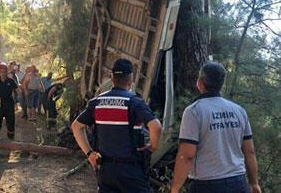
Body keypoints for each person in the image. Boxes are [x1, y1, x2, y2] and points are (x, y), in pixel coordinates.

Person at [71, 59, 162, 193]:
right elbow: (156, 126)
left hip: (106, 170)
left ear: (112, 78)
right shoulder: (134, 102)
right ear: (131, 79)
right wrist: (152, 147)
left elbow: (76, 126)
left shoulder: (96, 102)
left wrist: (90, 153)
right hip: (131, 171)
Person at [170, 61, 260, 193]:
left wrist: (175, 188)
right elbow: (250, 151)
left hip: (207, 185)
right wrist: (254, 183)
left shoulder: (194, 111)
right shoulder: (239, 111)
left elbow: (187, 155)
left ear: (200, 83)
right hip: (238, 183)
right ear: (221, 85)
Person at [0, 64, 20, 140]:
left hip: (9, 105)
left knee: (10, 122)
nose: (3, 73)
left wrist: (17, 101)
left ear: (7, 72)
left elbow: (18, 91)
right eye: (1, 71)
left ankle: (10, 138)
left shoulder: (11, 81)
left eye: (4, 71)